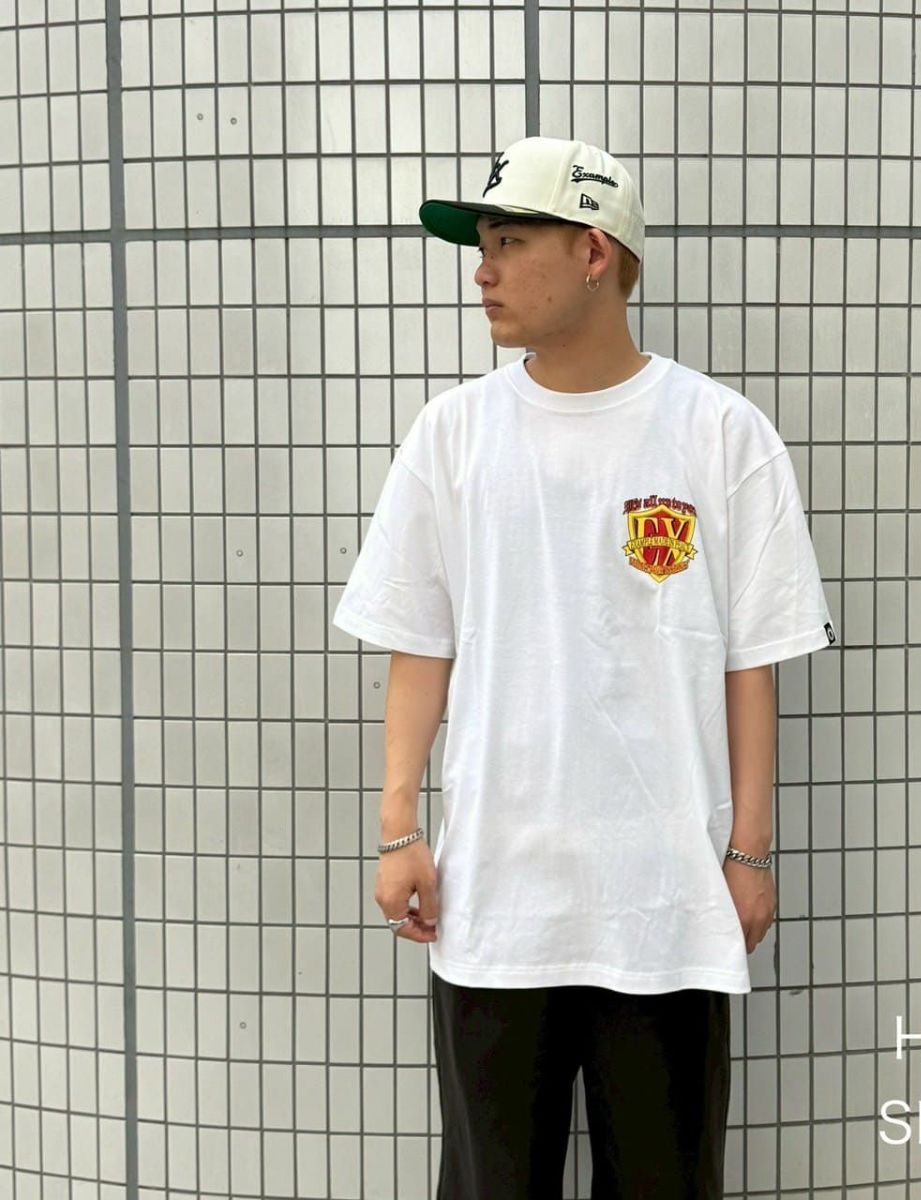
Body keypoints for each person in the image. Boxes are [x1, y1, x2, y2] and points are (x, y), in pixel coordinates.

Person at [331, 136, 838, 1199]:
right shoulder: (454, 435)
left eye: (508, 243)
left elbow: (752, 663)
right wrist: (399, 829)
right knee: (490, 1183)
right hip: (494, 902)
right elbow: (421, 642)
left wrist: (750, 852)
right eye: (482, 247)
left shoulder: (720, 433)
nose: (482, 272)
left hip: (665, 903)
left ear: (594, 252)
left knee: (665, 1181)